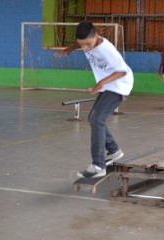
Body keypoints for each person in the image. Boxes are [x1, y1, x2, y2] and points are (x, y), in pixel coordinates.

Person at [55, 22, 133, 178]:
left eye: (88, 44)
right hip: (108, 85)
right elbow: (79, 43)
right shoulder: (86, 42)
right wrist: (68, 50)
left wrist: (101, 82)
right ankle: (114, 150)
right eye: (83, 45)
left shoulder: (107, 49)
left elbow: (122, 71)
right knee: (93, 118)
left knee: (97, 119)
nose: (86, 48)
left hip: (119, 84)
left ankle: (98, 165)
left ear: (96, 35)